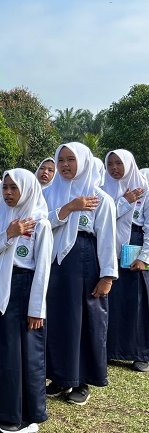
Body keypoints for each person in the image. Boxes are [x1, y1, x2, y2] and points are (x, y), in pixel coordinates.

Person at [44, 142, 116, 405]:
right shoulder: (48, 193)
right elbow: (40, 224)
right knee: (57, 320)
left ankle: (82, 380)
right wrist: (69, 208)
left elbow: (106, 239)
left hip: (84, 263)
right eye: (61, 159)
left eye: (71, 159)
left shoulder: (100, 198)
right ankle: (59, 376)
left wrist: (107, 276)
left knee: (83, 321)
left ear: (83, 161)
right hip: (53, 262)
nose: (65, 165)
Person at [0, 169, 51, 432]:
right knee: (0, 350)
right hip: (0, 283)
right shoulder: (1, 217)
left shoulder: (40, 223)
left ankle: (24, 416)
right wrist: (9, 234)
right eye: (6, 188)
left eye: (14, 188)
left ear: (28, 190)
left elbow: (43, 269)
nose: (8, 193)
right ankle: (1, 410)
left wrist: (37, 309)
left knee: (23, 354)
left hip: (24, 288)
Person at [102, 149, 149, 372]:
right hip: (110, 248)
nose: (114, 168)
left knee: (137, 303)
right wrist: (124, 202)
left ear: (129, 164)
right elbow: (101, 219)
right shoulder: (103, 189)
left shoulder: (144, 188)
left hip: (135, 248)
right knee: (112, 301)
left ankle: (140, 353)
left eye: (119, 163)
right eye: (110, 164)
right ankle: (111, 349)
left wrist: (144, 257)